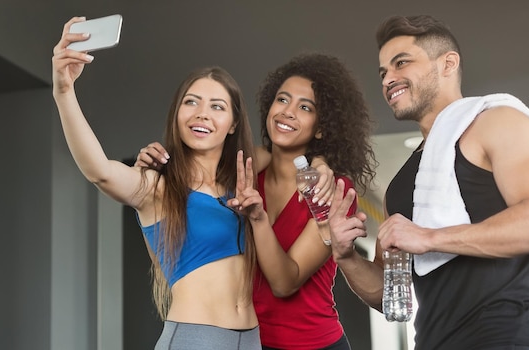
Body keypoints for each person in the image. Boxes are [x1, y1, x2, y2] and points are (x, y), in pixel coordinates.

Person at [328, 14, 529, 349]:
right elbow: (389, 295)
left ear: (448, 64)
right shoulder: (401, 187)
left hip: (507, 336)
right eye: (383, 72)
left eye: (401, 63)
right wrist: (346, 257)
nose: (388, 79)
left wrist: (429, 237)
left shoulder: (496, 121)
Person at [137, 53, 377, 350]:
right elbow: (199, 159)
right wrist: (154, 163)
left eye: (305, 107)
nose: (288, 112)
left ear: (321, 127)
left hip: (313, 344)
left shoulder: (331, 189)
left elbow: (285, 282)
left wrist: (322, 165)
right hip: (248, 342)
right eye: (282, 100)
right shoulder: (243, 176)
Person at [52, 17, 262, 350]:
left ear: (233, 122)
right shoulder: (157, 187)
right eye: (190, 102)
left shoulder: (243, 187)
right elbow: (100, 171)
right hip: (195, 339)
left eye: (217, 106)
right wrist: (64, 92)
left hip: (251, 339)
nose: (202, 114)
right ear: (176, 114)